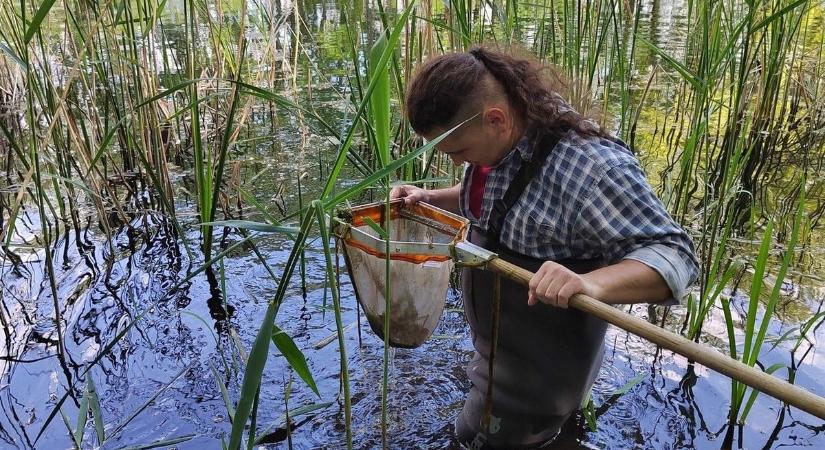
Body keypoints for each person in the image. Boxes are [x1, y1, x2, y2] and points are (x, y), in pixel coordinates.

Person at [390, 45, 699, 449]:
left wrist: (591, 284)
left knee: (473, 441)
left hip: (537, 381)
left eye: (458, 152)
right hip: (500, 358)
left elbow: (675, 256)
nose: (455, 163)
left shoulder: (592, 168)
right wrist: (430, 198)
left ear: (495, 119)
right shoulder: (503, 139)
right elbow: (494, 200)